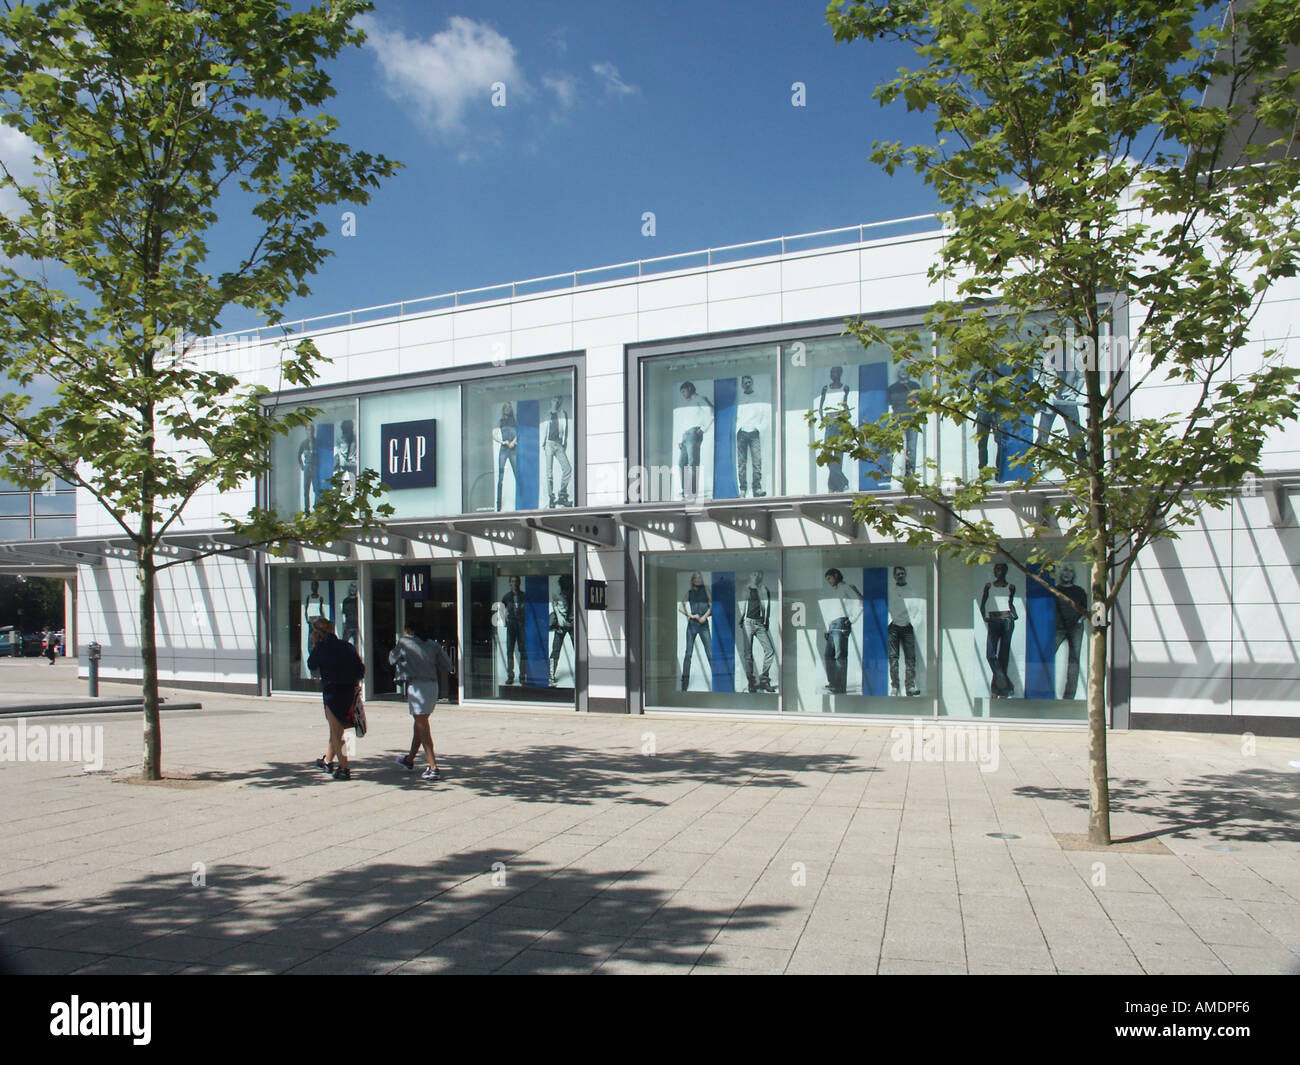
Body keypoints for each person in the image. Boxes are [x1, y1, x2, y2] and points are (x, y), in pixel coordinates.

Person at [391, 623, 456, 781]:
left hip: (417, 686)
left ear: (409, 632)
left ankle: (433, 766)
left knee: (422, 727)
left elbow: (391, 659)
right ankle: (409, 760)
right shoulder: (433, 645)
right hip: (433, 686)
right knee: (420, 724)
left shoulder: (405, 642)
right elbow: (447, 664)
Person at [306, 617, 365, 780]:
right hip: (348, 691)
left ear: (318, 633)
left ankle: (344, 768)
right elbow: (360, 669)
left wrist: (315, 645)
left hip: (332, 692)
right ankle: (327, 760)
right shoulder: (347, 646)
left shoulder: (321, 647)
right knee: (338, 729)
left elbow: (311, 664)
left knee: (336, 731)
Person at [979, 563, 1018, 698]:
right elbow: (983, 603)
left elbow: (1010, 603)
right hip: (994, 621)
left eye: (1000, 569)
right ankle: (1007, 686)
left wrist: (1015, 615)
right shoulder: (989, 586)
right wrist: (984, 616)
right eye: (995, 569)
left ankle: (997, 691)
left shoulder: (1011, 587)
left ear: (1005, 571)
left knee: (1003, 657)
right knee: (990, 654)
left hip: (1007, 620)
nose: (997, 572)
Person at [823, 568, 863, 694]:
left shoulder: (846, 587)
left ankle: (839, 686)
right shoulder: (835, 592)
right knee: (828, 655)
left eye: (829, 578)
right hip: (832, 625)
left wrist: (851, 620)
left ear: (836, 575)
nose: (829, 581)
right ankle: (833, 683)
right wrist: (827, 627)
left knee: (840, 656)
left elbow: (860, 601)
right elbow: (833, 610)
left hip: (841, 623)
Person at [1053, 563, 1088, 699]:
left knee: (1074, 661)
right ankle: (1044, 692)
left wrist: (1080, 620)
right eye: (1064, 571)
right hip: (1058, 627)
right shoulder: (1055, 590)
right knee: (1046, 657)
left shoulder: (1079, 591)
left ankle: (1069, 697)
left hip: (1075, 628)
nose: (1067, 573)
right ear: (1060, 574)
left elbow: (1085, 610)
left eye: (1070, 571)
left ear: (1074, 574)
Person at [738, 570, 776, 693]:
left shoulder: (763, 588)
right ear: (750, 575)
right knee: (748, 654)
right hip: (748, 622)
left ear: (761, 576)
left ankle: (764, 679)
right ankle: (751, 681)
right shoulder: (746, 589)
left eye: (758, 574)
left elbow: (766, 605)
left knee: (770, 650)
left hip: (759, 623)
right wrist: (741, 620)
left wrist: (766, 620)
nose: (756, 576)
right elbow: (743, 606)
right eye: (753, 573)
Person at [677, 382, 714, 500]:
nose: (683, 394)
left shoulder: (699, 399)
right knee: (682, 463)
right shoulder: (687, 404)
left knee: (693, 462)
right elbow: (684, 421)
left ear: (689, 389)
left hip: (694, 432)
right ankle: (685, 490)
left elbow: (711, 412)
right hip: (685, 434)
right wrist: (680, 438)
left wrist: (703, 429)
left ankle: (692, 493)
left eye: (684, 391)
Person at [887, 566, 920, 696]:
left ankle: (910, 687)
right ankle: (895, 686)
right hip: (894, 626)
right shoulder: (891, 591)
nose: (900, 575)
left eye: (902, 573)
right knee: (893, 658)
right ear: (894, 576)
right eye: (897, 574)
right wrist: (891, 621)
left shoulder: (911, 590)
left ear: (905, 574)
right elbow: (888, 607)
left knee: (910, 658)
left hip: (907, 627)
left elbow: (917, 608)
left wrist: (913, 622)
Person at [817, 367, 852, 492]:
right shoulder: (826, 388)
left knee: (838, 455)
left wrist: (845, 417)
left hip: (840, 422)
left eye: (835, 372)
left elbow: (845, 405)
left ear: (840, 373)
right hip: (830, 422)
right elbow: (821, 406)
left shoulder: (845, 388)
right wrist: (823, 418)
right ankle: (843, 481)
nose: (833, 374)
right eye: (831, 372)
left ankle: (833, 487)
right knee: (827, 455)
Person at [735, 374, 767, 498]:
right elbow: (735, 416)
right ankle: (742, 489)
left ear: (752, 383)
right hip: (742, 432)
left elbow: (765, 416)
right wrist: (738, 429)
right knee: (741, 463)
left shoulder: (758, 398)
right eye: (745, 382)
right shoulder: (739, 399)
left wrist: (758, 429)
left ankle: (757, 488)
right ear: (742, 385)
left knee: (757, 462)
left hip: (754, 433)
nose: (747, 384)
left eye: (749, 382)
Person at [680, 571, 711, 691]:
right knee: (688, 653)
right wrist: (691, 615)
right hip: (692, 624)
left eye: (700, 578)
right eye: (696, 578)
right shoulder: (690, 592)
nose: (698, 580)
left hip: (703, 624)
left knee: (710, 652)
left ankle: (717, 679)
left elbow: (712, 605)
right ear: (692, 580)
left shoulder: (706, 590)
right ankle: (684, 682)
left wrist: (704, 617)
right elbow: (680, 607)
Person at [543, 396, 572, 507]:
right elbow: (544, 429)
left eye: (558, 400)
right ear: (551, 401)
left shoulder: (562, 414)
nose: (556, 402)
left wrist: (564, 443)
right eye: (554, 400)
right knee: (549, 473)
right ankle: (551, 498)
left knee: (567, 469)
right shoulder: (548, 414)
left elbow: (566, 429)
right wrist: (544, 443)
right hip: (549, 443)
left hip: (558, 443)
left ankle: (562, 494)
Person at [500, 575, 527, 685]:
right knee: (509, 651)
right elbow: (501, 608)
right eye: (512, 581)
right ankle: (510, 676)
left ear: (519, 582)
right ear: (509, 583)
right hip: (511, 625)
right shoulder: (506, 597)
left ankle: (522, 676)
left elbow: (529, 609)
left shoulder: (524, 596)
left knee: (523, 651)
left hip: (521, 625)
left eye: (516, 581)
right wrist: (504, 621)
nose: (514, 583)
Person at [549, 574, 574, 686]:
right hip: (562, 624)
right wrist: (559, 618)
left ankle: (582, 674)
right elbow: (554, 606)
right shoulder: (558, 594)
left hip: (572, 624)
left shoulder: (575, 595)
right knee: (555, 650)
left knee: (579, 651)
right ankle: (551, 675)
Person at [493, 401, 518, 512]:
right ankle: (498, 505)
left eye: (509, 407)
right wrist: (502, 442)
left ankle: (522, 501)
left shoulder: (514, 421)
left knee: (517, 474)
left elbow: (519, 432)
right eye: (506, 407)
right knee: (500, 476)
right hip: (504, 448)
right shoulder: (501, 421)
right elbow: (494, 434)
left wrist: (513, 442)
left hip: (513, 448)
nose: (508, 409)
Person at [297, 423, 318, 512]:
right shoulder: (303, 443)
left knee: (316, 489)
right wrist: (302, 466)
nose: (310, 432)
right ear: (306, 431)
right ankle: (307, 510)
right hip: (307, 467)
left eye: (312, 430)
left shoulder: (317, 442)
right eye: (308, 430)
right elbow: (298, 456)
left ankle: (317, 509)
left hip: (315, 467)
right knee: (306, 490)